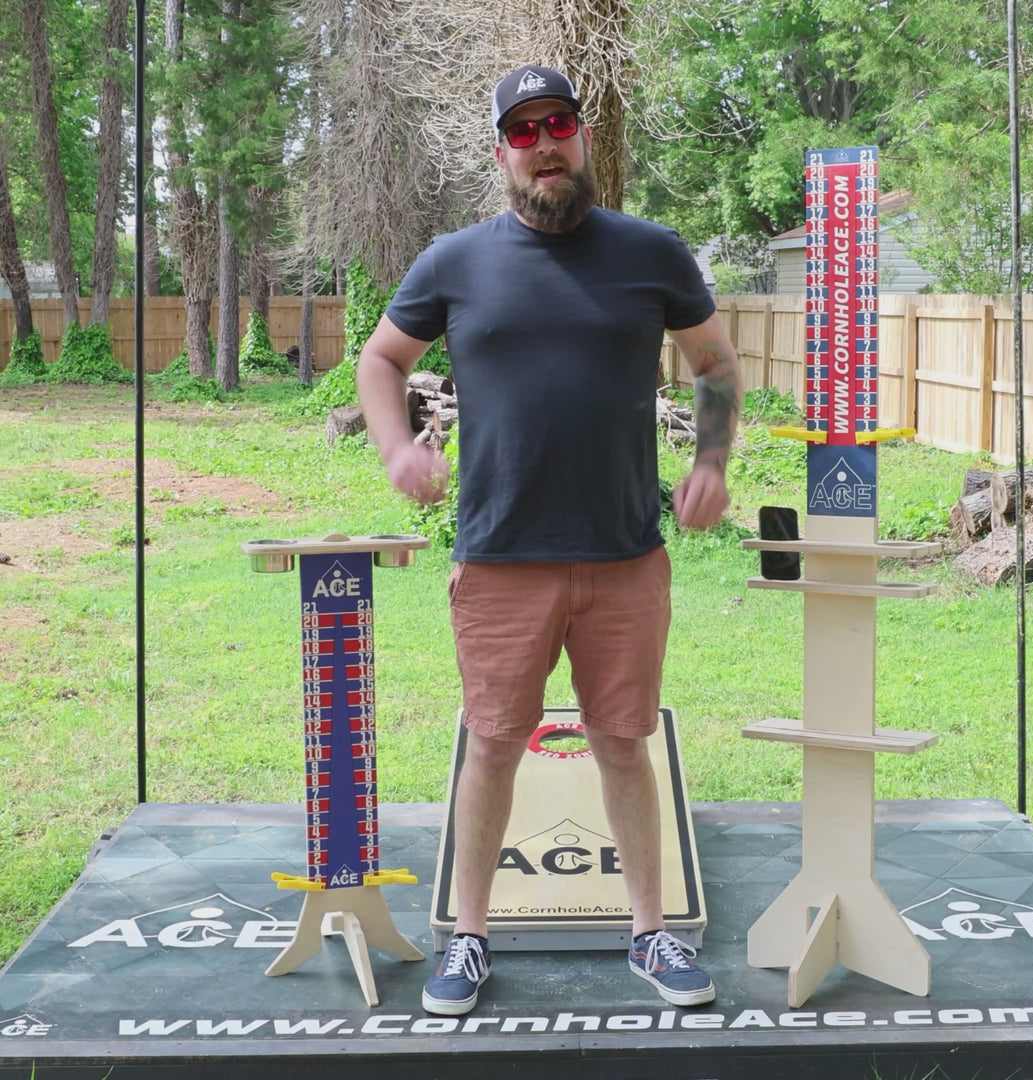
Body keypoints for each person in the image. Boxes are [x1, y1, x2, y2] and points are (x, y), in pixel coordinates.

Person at [357, 64, 742, 1017]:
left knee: (622, 741)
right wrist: (398, 445)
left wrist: (716, 461)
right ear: (501, 154)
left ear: (584, 138)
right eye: (522, 132)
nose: (544, 144)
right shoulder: (453, 261)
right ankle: (470, 940)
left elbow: (716, 362)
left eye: (558, 124)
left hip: (624, 557)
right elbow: (380, 357)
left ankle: (651, 934)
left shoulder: (651, 253)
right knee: (493, 746)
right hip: (498, 559)